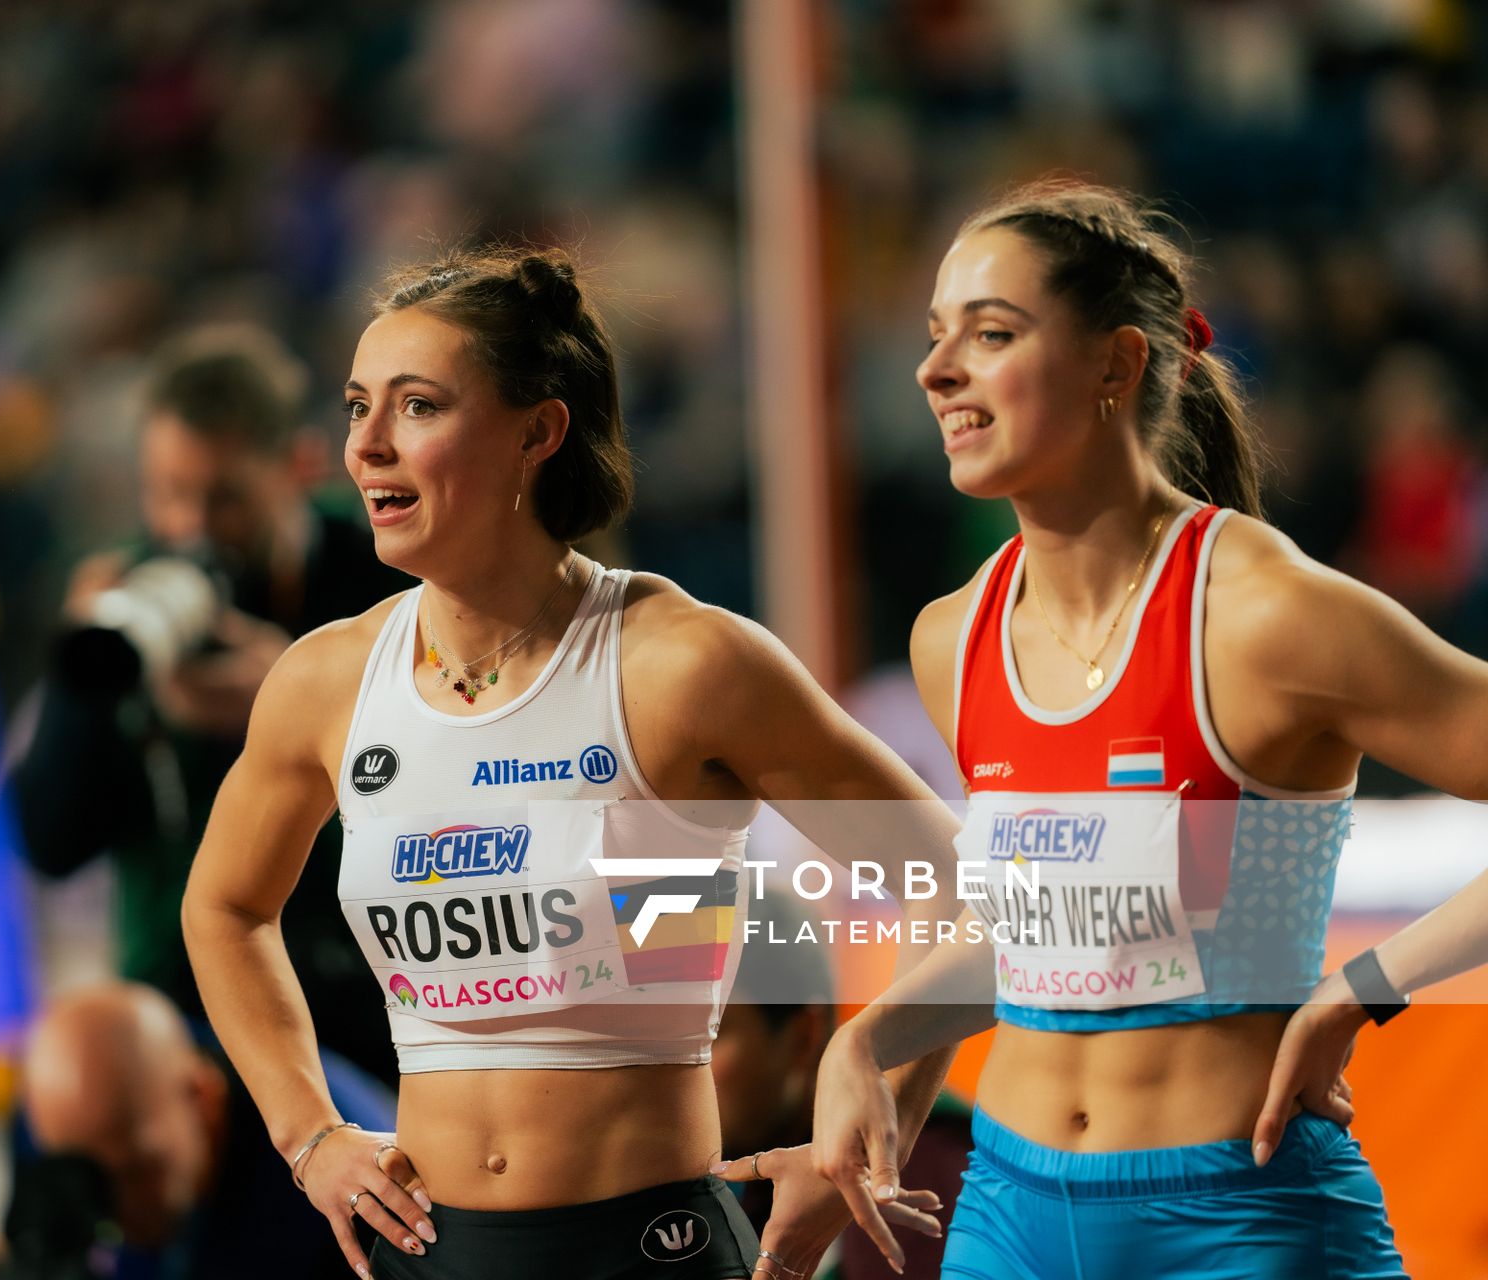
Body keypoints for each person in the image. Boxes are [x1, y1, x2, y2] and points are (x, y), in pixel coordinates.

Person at [180, 246, 958, 1280]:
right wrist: (308, 1133)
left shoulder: (681, 664)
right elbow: (225, 909)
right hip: (425, 1248)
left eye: (415, 406)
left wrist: (876, 1112)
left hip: (647, 1248)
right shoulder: (325, 681)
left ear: (539, 431)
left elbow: (967, 889)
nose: (364, 445)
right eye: (357, 406)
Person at [810, 178, 1488, 1277]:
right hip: (1008, 1211)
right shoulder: (956, 636)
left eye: (992, 334)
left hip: (1241, 1218)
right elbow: (1039, 943)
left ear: (1117, 366)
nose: (938, 371)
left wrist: (1363, 988)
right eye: (937, 337)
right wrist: (870, 1035)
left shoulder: (1267, 615)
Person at [5, 325, 410, 1079]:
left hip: (375, 988)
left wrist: (308, 702)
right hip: (182, 1003)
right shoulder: (127, 605)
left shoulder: (388, 579)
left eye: (224, 499)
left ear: (299, 466)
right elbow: (49, 843)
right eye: (168, 494)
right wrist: (84, 691)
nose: (190, 528)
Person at [9, 981, 395, 1279]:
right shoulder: (49, 1135)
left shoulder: (347, 1185)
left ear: (203, 1098)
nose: (111, 1214)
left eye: (135, 1173)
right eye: (84, 1181)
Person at [711, 894, 970, 1279]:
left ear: (802, 1036)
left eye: (712, 1034)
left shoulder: (925, 1171)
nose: (684, 1069)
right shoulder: (751, 1176)